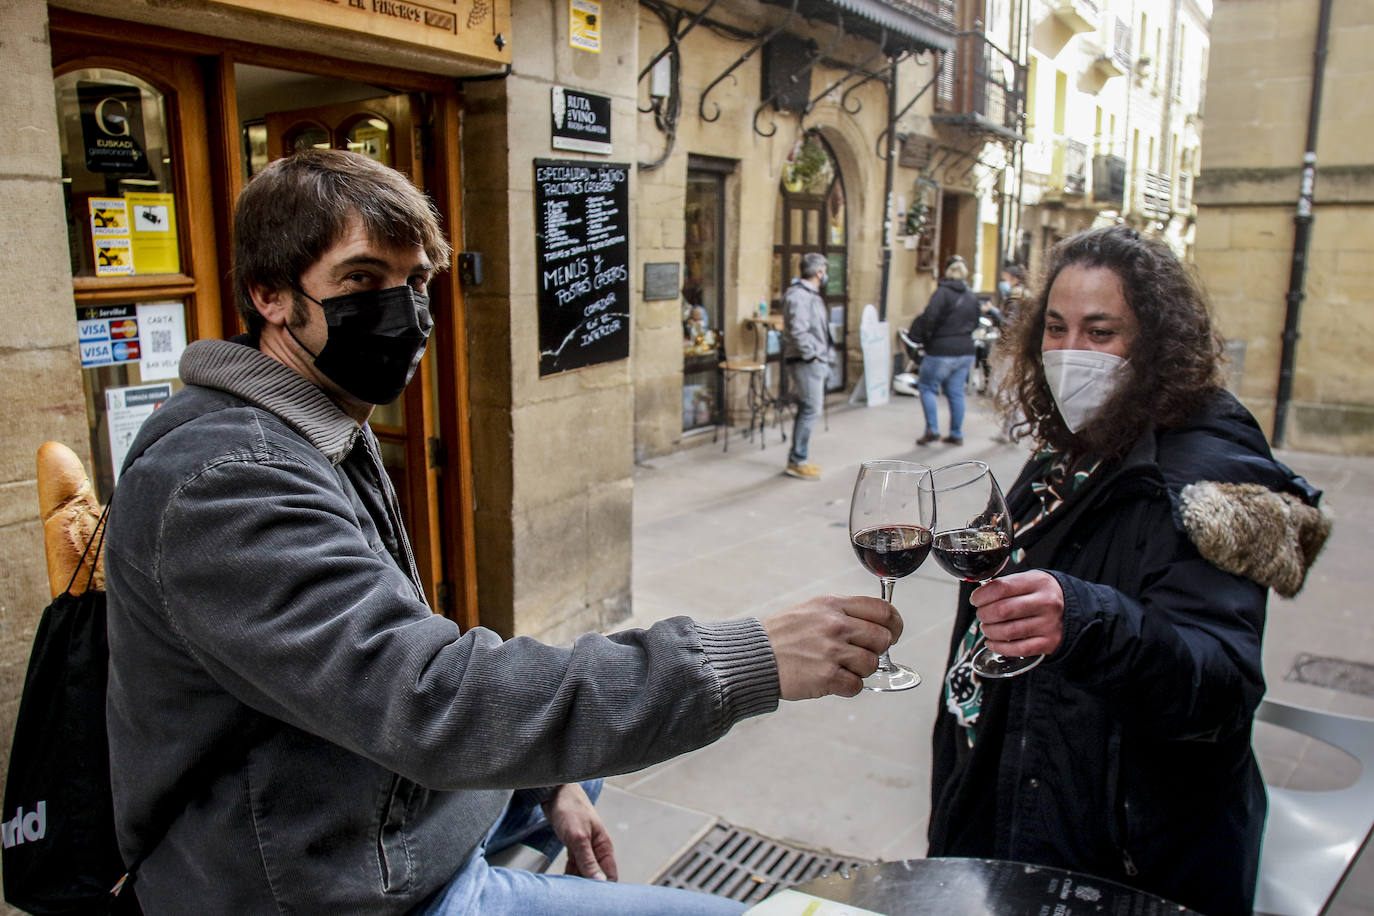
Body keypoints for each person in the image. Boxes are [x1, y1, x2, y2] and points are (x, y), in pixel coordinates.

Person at [103, 150, 905, 916]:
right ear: (270, 296)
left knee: (579, 774)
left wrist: (538, 780)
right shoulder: (227, 480)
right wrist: (747, 657)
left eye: (414, 280)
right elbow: (428, 699)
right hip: (324, 892)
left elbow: (398, 671)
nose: (403, 311)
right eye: (360, 280)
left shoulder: (316, 425)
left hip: (377, 818)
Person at [927, 225, 1330, 916]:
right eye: (1055, 327)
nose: (1070, 352)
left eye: (1100, 331)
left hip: (1121, 863)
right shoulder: (1077, 442)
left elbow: (1220, 688)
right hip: (1018, 814)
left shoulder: (1207, 475)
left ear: (1154, 342)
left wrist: (1087, 619)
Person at [910, 255, 979, 446]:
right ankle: (956, 433)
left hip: (942, 349)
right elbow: (975, 321)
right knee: (956, 392)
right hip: (965, 349)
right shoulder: (971, 295)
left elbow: (929, 318)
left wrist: (927, 339)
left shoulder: (942, 293)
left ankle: (932, 429)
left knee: (927, 387)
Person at [780, 252, 834, 480]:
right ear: (819, 272)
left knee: (808, 408)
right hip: (806, 362)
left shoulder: (809, 295)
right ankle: (797, 460)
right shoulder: (800, 296)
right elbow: (799, 330)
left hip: (812, 359)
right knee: (811, 409)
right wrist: (812, 356)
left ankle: (798, 457)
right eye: (824, 270)